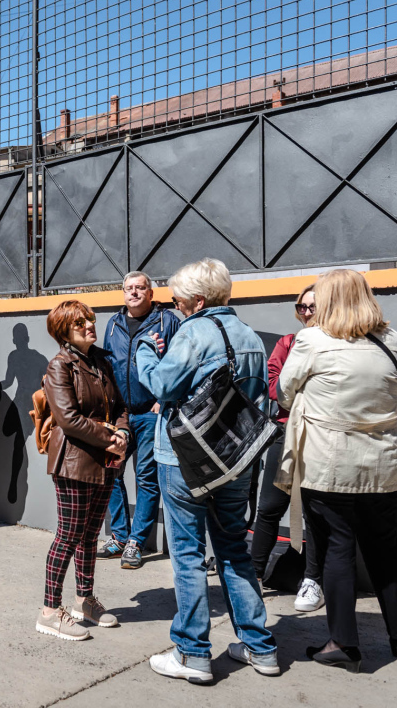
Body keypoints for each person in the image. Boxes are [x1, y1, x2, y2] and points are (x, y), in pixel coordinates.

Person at [136, 258, 279, 683]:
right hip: (234, 461)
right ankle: (260, 648)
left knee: (187, 555)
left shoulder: (193, 334)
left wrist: (146, 352)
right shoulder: (250, 336)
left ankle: (193, 653)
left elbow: (161, 385)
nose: (175, 305)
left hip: (184, 460)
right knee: (234, 550)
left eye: (178, 299)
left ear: (198, 301)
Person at [277, 269, 397, 671]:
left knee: (337, 549)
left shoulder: (311, 340)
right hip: (384, 463)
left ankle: (343, 642)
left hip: (330, 463)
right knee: (385, 549)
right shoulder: (391, 340)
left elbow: (284, 393)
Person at [36, 300, 131, 641]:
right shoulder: (59, 365)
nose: (90, 325)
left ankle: (84, 601)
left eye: (90, 319)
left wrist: (123, 434)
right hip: (74, 462)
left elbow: (119, 406)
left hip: (103, 461)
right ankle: (49, 612)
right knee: (68, 536)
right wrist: (110, 439)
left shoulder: (101, 361)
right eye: (80, 323)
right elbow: (68, 419)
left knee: (91, 536)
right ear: (64, 331)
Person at [98, 271, 180, 569]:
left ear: (151, 293)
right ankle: (119, 536)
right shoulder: (114, 323)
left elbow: (178, 363)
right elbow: (107, 365)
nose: (133, 293)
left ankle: (136, 542)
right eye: (129, 288)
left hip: (150, 412)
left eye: (140, 288)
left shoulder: (167, 322)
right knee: (110, 471)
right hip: (119, 413)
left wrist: (163, 399)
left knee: (146, 477)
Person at [250, 284, 323, 611]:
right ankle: (254, 575)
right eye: (301, 307)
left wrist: (297, 393)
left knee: (315, 513)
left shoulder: (337, 345)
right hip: (285, 432)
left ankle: (313, 580)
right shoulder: (287, 343)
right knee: (269, 507)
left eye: (312, 307)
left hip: (320, 437)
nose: (306, 312)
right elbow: (274, 387)